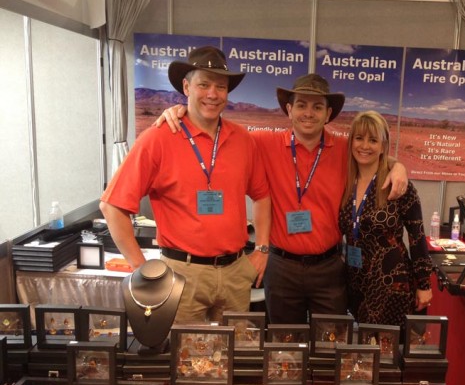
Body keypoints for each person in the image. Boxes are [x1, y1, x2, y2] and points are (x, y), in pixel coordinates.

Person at [155, 73, 407, 324]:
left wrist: (397, 167)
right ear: (289, 109)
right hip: (281, 267)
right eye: (301, 105)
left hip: (329, 268)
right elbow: (215, 130)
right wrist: (183, 112)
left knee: (331, 342)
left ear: (328, 113)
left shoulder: (344, 148)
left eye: (317, 106)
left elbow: (372, 155)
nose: (308, 113)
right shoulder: (263, 143)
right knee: (284, 348)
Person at [100, 46, 271, 324]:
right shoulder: (158, 138)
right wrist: (140, 268)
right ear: (186, 87)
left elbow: (262, 196)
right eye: (203, 84)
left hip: (235, 273)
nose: (212, 94)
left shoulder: (242, 139)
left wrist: (262, 250)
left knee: (237, 356)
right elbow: (112, 206)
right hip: (182, 274)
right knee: (188, 360)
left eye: (221, 86)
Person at [338, 111, 432, 330]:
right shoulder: (344, 182)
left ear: (383, 145)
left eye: (373, 140)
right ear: (351, 141)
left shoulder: (398, 186)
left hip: (391, 285)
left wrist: (424, 284)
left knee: (386, 354)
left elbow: (417, 238)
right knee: (361, 353)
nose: (365, 146)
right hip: (354, 281)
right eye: (359, 138)